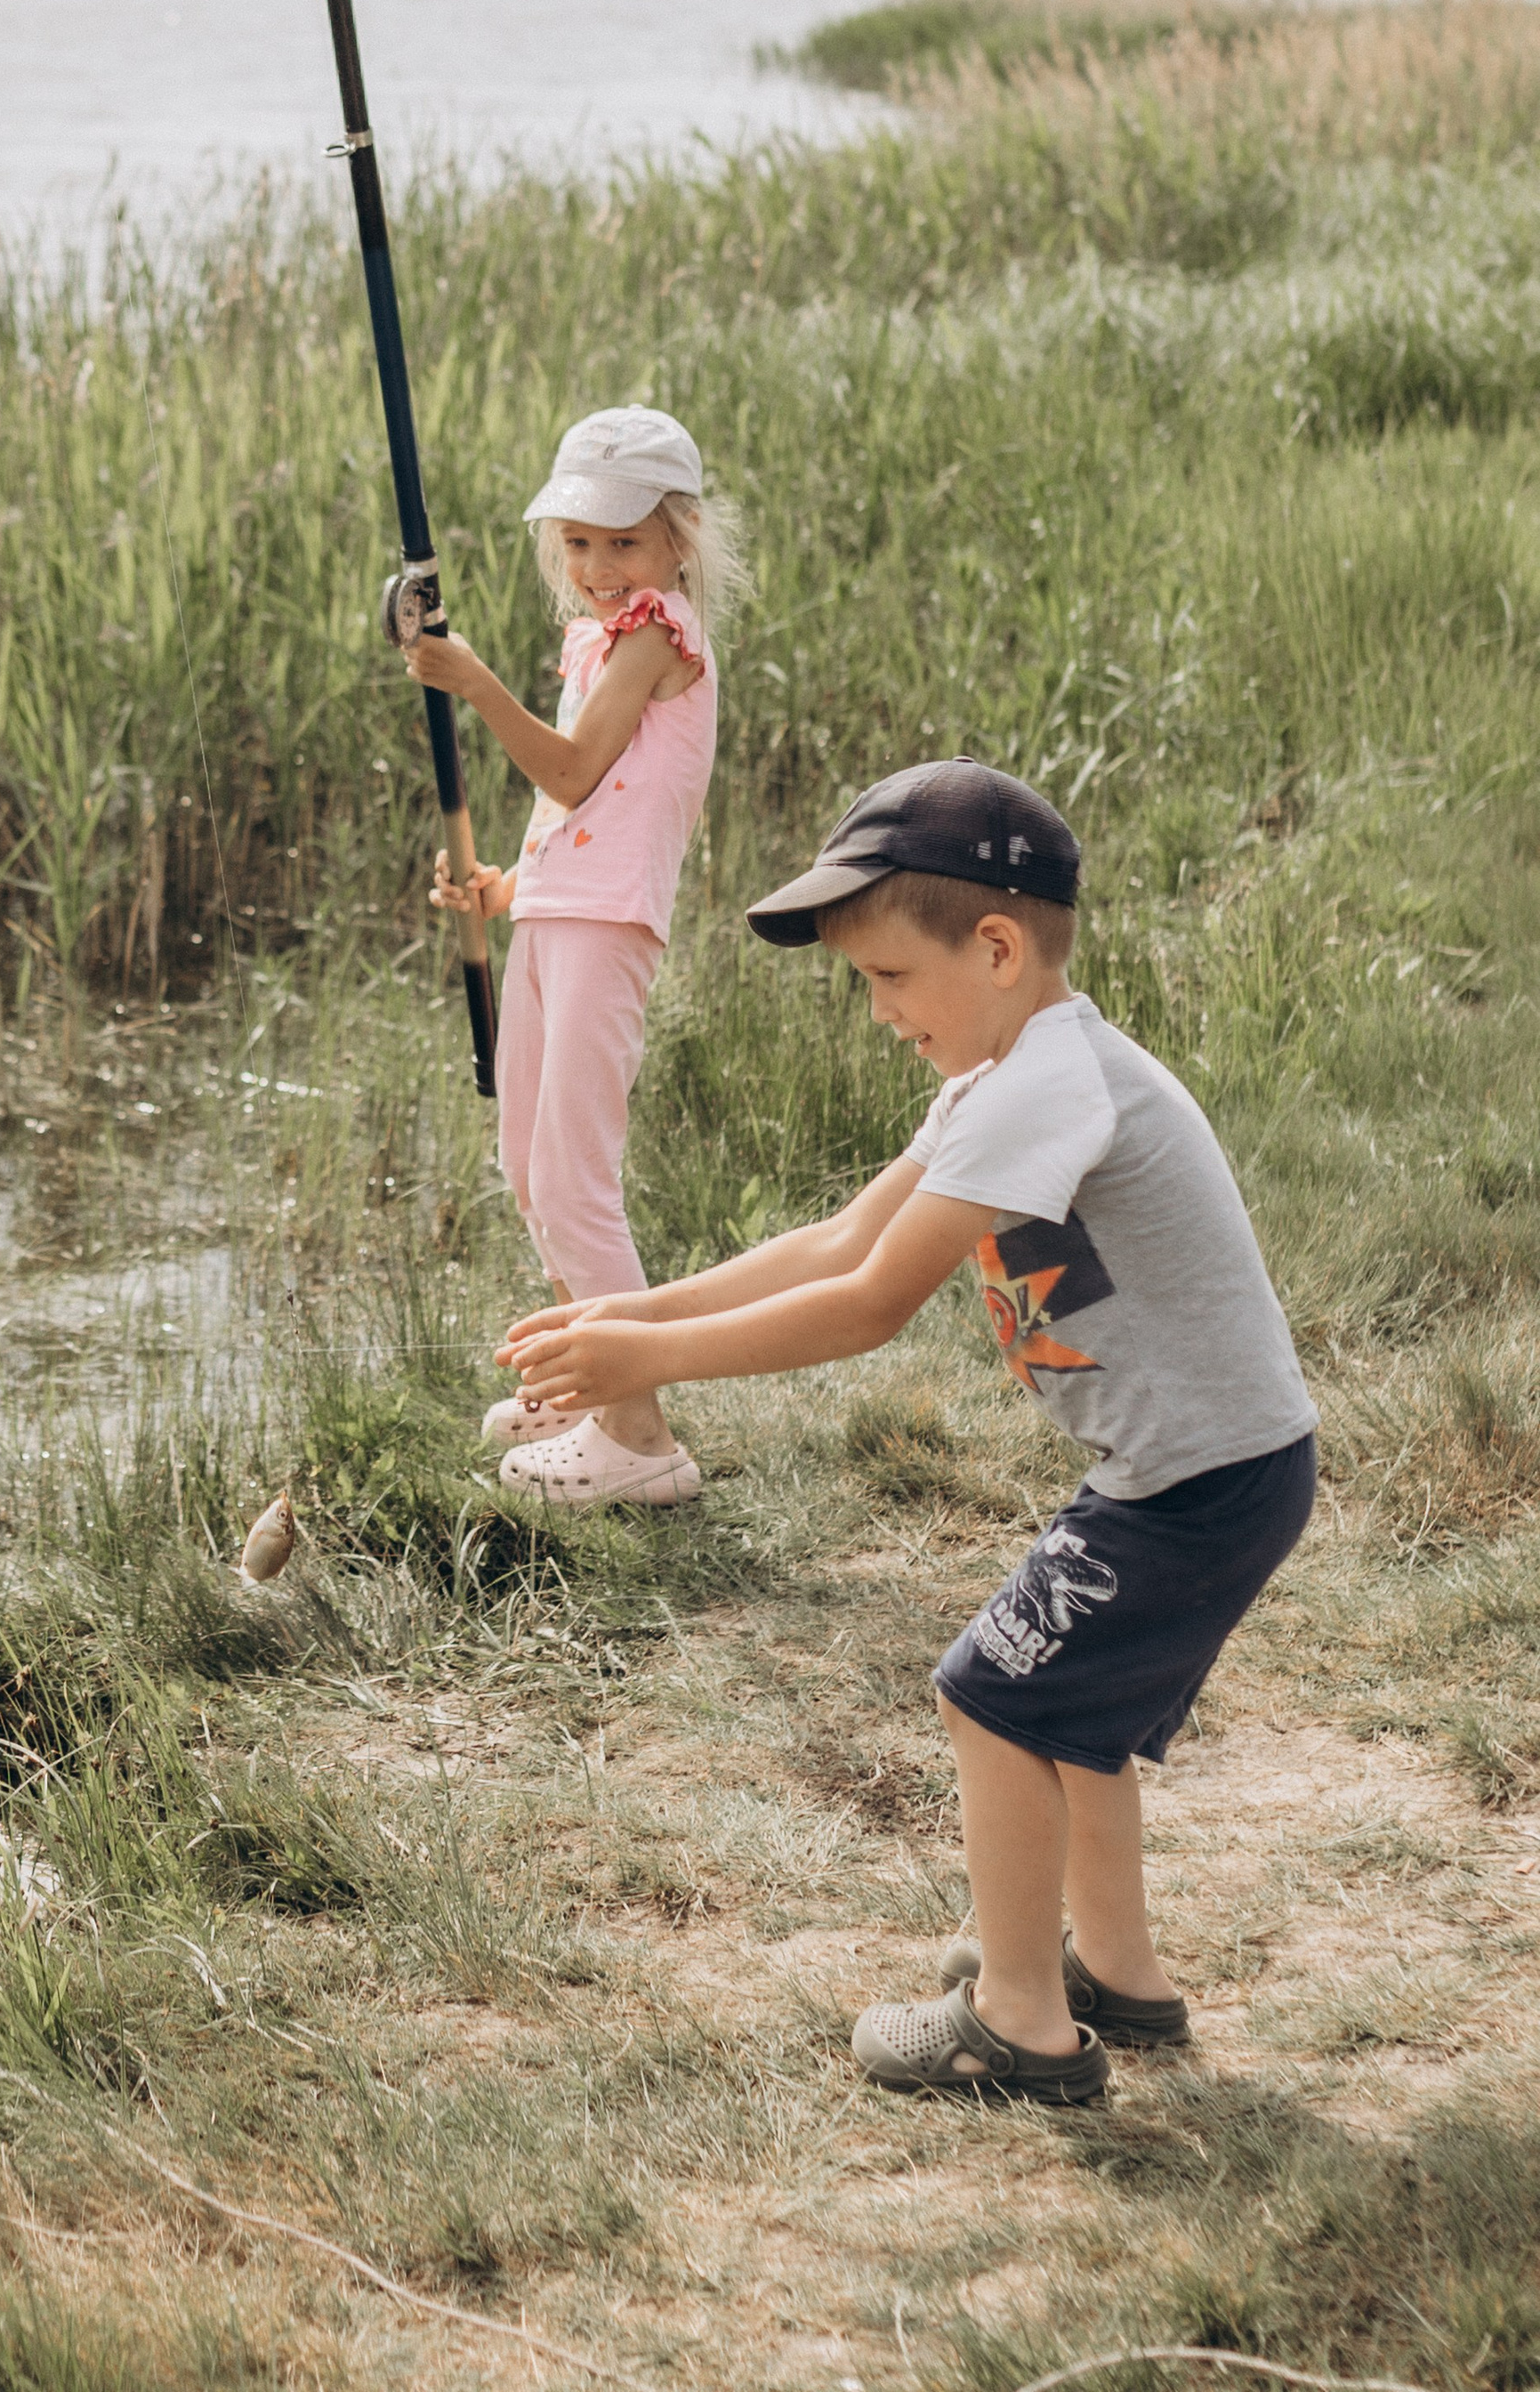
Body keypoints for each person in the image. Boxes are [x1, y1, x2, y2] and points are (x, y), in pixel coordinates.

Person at [499, 758, 1318, 2103]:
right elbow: (835, 1239)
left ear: (996, 947)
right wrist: (626, 1312)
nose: (879, 1014)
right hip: (1207, 1469)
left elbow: (869, 1303)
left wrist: (640, 1358)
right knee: (1075, 1722)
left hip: (1199, 1484)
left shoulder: (1048, 1087)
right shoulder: (1009, 1072)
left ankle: (1021, 2029)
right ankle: (1117, 1976)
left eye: (888, 978)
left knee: (990, 1696)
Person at [403, 403, 739, 1507]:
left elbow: (574, 772)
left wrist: (475, 685)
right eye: (579, 542)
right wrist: (508, 885)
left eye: (623, 541)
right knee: (526, 1167)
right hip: (560, 911)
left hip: (607, 930)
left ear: (677, 539)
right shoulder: (597, 635)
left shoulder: (658, 635)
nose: (598, 565)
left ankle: (639, 1440)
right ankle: (588, 1387)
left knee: (577, 1181)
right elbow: (577, 819)